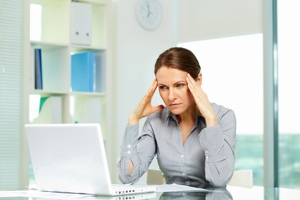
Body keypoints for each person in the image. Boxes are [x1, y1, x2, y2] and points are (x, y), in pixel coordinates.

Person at [117, 47, 236, 187]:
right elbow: (127, 177)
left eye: (179, 85)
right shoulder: (155, 122)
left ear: (198, 80)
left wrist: (210, 119)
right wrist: (133, 120)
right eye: (163, 87)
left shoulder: (223, 117)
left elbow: (219, 180)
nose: (171, 97)